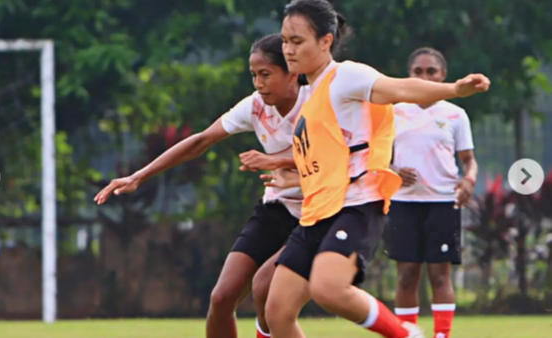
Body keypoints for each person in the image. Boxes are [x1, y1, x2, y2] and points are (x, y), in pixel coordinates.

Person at [245, 1, 490, 338]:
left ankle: (408, 335)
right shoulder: (311, 91)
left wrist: (454, 90)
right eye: (285, 40)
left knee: (329, 289)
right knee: (277, 311)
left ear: (326, 41)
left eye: (297, 41)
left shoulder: (346, 76)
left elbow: (401, 88)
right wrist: (294, 175)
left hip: (357, 205)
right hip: (318, 211)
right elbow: (330, 157)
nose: (287, 49)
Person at [93, 33, 310, 338]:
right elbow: (201, 141)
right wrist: (139, 176)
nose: (258, 84)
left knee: (265, 287)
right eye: (253, 76)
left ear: (293, 73)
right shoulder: (255, 106)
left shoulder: (317, 103)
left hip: (317, 213)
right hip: (276, 208)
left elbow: (332, 153)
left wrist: (276, 161)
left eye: (266, 74)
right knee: (221, 298)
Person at [388, 47, 478, 338]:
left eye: (431, 72)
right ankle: (407, 333)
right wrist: (392, 170)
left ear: (443, 75)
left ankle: (442, 335)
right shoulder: (394, 110)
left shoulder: (455, 114)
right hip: (403, 202)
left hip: (442, 202)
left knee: (440, 275)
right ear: (409, 74)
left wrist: (469, 181)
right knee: (406, 276)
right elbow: (377, 157)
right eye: (418, 72)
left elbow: (469, 160)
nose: (424, 76)